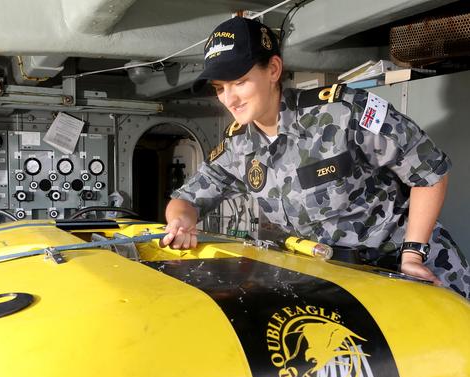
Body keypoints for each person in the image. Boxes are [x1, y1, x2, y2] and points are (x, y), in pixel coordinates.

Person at [161, 16, 470, 299]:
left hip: (410, 269)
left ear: (273, 70)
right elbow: (186, 199)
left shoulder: (343, 112)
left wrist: (413, 255)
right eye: (220, 87)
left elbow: (430, 172)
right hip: (346, 283)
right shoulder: (238, 146)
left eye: (239, 82)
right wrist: (181, 222)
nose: (230, 98)